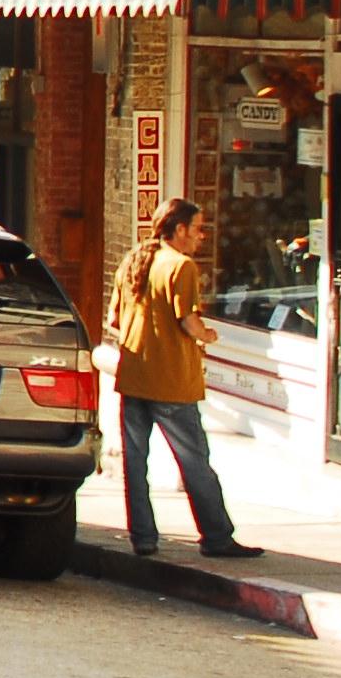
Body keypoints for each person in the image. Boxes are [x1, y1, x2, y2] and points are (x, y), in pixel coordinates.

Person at [109, 196, 262, 561]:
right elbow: (188, 321)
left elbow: (114, 319)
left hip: (133, 376)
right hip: (172, 381)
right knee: (194, 460)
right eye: (197, 229)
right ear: (178, 229)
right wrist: (207, 335)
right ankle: (216, 536)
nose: (201, 236)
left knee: (135, 460)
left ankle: (143, 537)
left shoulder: (133, 260)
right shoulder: (181, 266)